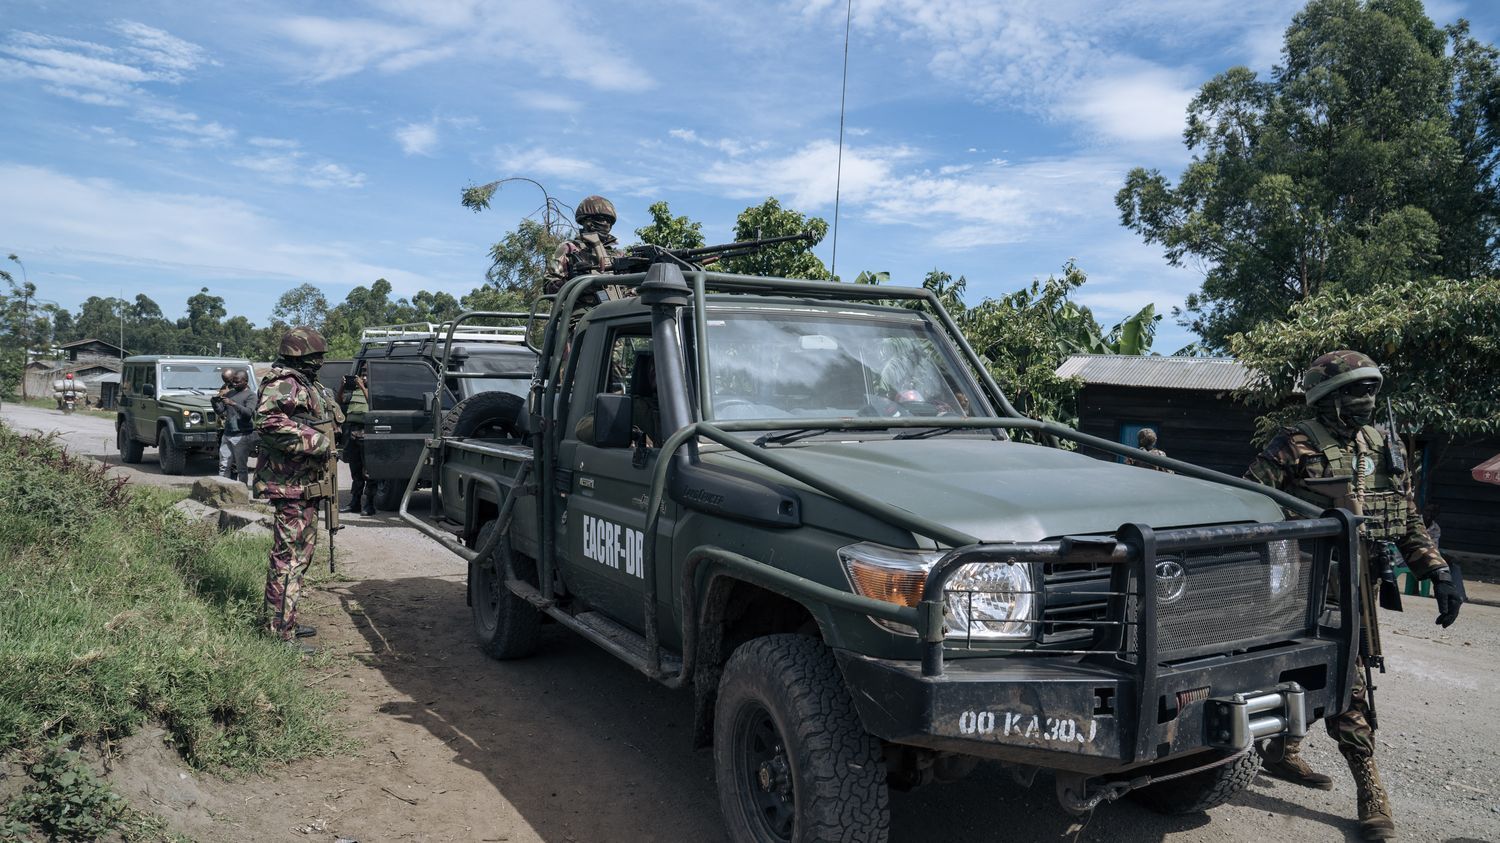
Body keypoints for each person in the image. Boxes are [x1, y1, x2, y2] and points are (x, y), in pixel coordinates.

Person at [1245, 350, 1461, 841]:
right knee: (1313, 674)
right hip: (1301, 586)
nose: (1365, 400)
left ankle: (1295, 757)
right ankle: (1362, 783)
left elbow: (1403, 516)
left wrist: (1439, 572)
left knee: (1347, 676)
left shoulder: (1382, 445)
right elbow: (1250, 504)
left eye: (1370, 391)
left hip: (1359, 586)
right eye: (1353, 391)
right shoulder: (1294, 443)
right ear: (1326, 397)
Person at [254, 327, 342, 651]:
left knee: (298, 559)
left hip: (304, 486)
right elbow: (267, 422)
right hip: (290, 487)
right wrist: (316, 442)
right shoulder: (284, 383)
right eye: (315, 357)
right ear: (301, 356)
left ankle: (285, 621)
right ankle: (279, 635)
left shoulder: (305, 384)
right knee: (288, 560)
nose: (320, 362)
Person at [544, 195, 626, 295]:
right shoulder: (569, 249)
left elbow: (632, 287)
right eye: (600, 218)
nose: (605, 223)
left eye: (608, 220)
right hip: (584, 307)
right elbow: (549, 287)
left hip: (618, 307)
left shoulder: (618, 255)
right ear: (586, 220)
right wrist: (574, 281)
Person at [337, 363, 374, 516]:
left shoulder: (374, 389)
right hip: (352, 432)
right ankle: (355, 502)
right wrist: (341, 387)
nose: (364, 375)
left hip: (367, 432)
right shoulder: (355, 392)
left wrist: (363, 385)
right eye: (363, 372)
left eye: (367, 373)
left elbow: (372, 402)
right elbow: (339, 401)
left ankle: (369, 504)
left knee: (369, 471)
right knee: (355, 470)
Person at [214, 370, 255, 483]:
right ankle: (222, 490)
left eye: (237, 382)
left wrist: (233, 403)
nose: (234, 384)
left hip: (241, 435)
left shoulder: (250, 395)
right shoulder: (230, 393)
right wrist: (215, 403)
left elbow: (248, 413)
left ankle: (242, 492)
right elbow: (221, 411)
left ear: (245, 381)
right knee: (224, 466)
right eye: (233, 382)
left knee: (241, 468)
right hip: (227, 434)